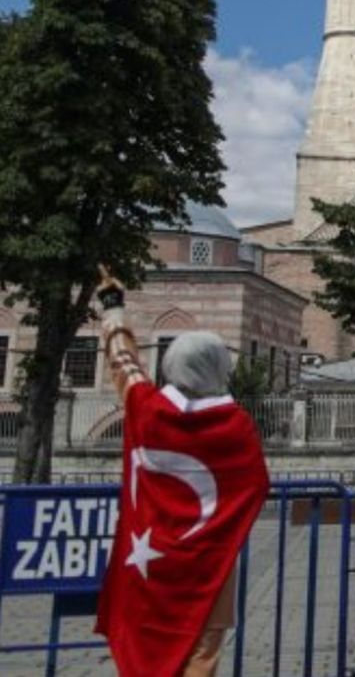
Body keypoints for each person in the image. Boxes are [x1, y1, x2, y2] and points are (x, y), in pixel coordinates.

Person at [92, 269, 270, 676]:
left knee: (144, 646)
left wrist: (114, 309)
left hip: (146, 563)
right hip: (207, 566)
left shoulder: (145, 407)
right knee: (199, 657)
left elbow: (124, 362)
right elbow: (255, 485)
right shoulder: (234, 424)